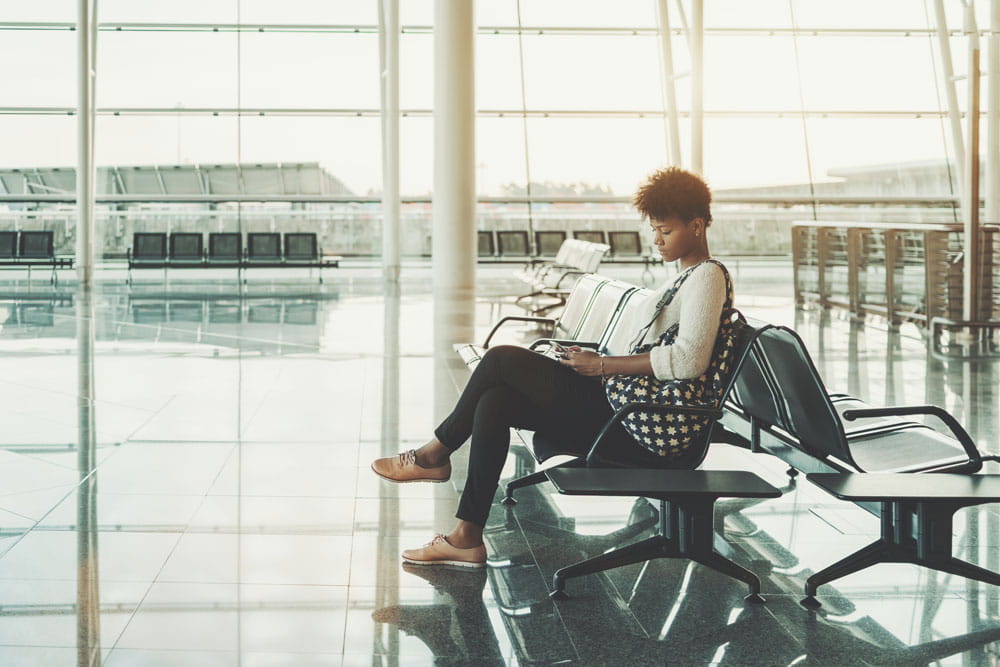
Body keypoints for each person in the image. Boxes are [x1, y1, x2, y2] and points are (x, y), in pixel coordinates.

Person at [371, 167, 732, 568]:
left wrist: (600, 366)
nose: (657, 240)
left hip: (642, 427)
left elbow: (688, 360)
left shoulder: (707, 277)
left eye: (665, 230)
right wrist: (587, 357)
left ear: (697, 226)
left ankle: (434, 454)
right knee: (496, 401)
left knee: (501, 358)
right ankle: (466, 538)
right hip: (624, 407)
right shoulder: (684, 278)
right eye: (655, 230)